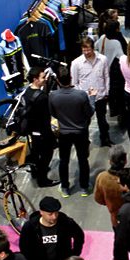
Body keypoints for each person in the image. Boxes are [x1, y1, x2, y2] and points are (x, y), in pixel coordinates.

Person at [19, 197, 85, 260]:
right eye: (50, 214)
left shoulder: (65, 221)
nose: (54, 217)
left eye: (56, 213)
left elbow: (79, 236)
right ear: (41, 212)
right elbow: (25, 249)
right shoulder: (30, 227)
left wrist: (74, 255)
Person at [48, 68, 94, 198]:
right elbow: (89, 112)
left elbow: (53, 113)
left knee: (64, 160)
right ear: (71, 78)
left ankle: (65, 188)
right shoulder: (81, 95)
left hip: (64, 133)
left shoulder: (53, 96)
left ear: (57, 80)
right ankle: (84, 188)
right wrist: (93, 98)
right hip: (81, 132)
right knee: (83, 159)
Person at [93, 145, 130, 260]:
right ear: (125, 160)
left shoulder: (102, 178)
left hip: (116, 220)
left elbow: (98, 199)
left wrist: (110, 206)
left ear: (109, 161)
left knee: (121, 252)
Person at [71, 37, 112, 147]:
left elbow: (106, 76)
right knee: (85, 123)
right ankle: (84, 142)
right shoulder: (76, 63)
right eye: (84, 50)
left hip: (100, 96)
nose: (86, 52)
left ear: (93, 48)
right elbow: (74, 83)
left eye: (88, 50)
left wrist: (107, 92)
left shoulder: (103, 59)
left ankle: (105, 139)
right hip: (85, 99)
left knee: (102, 120)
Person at [22, 67, 58, 187]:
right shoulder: (42, 97)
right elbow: (47, 114)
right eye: (43, 77)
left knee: (36, 152)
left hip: (33, 130)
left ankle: (35, 172)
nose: (45, 79)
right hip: (43, 131)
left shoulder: (27, 92)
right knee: (47, 154)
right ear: (35, 79)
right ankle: (42, 180)